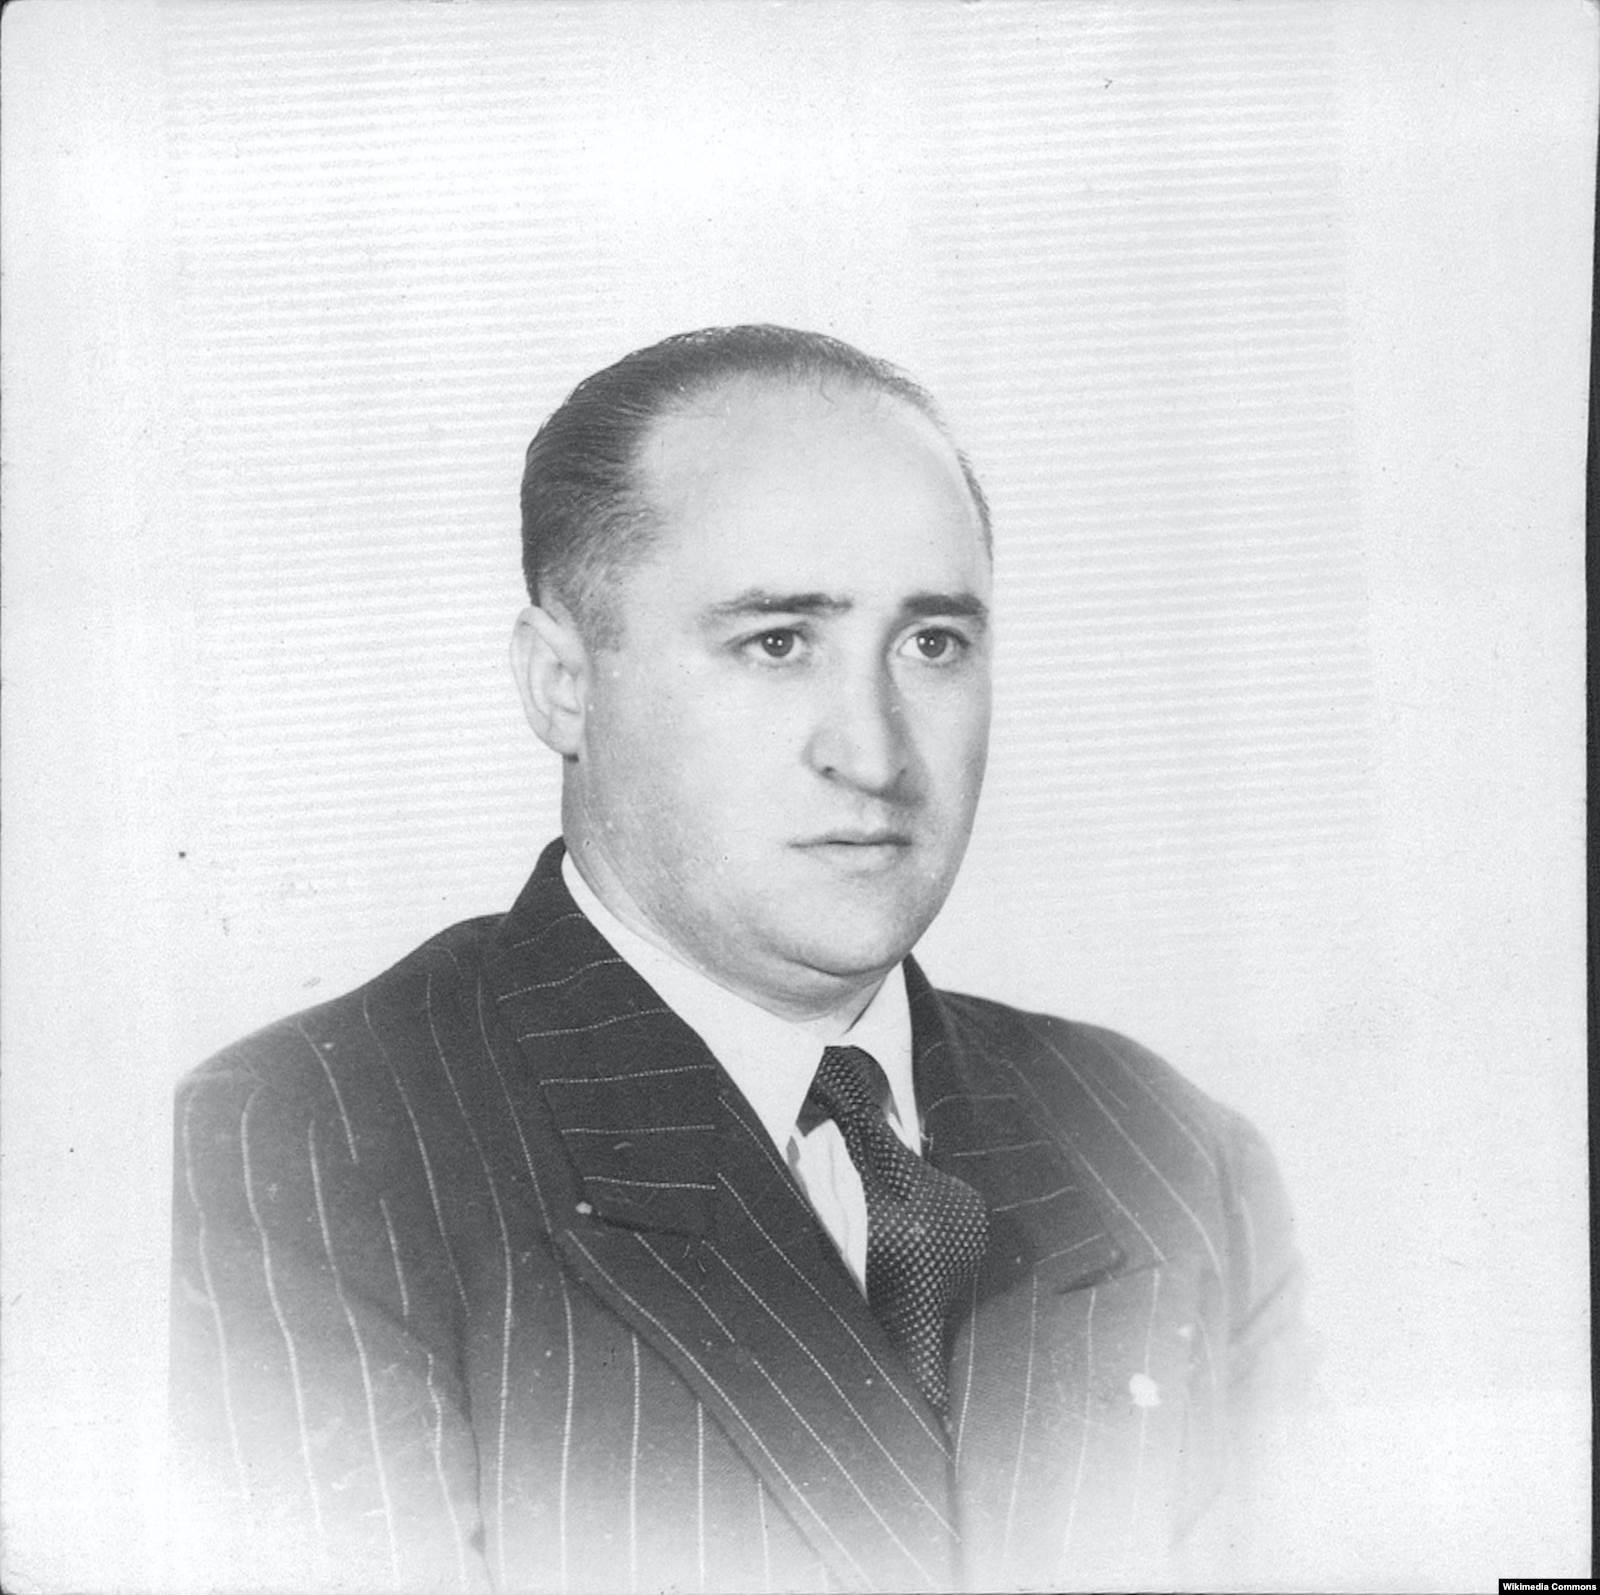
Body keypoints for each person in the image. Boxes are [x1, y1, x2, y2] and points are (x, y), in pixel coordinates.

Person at [170, 325, 1306, 1594]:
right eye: (777, 641)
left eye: (932, 642)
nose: (874, 753)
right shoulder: (311, 1147)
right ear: (560, 685)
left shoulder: (1169, 1150)